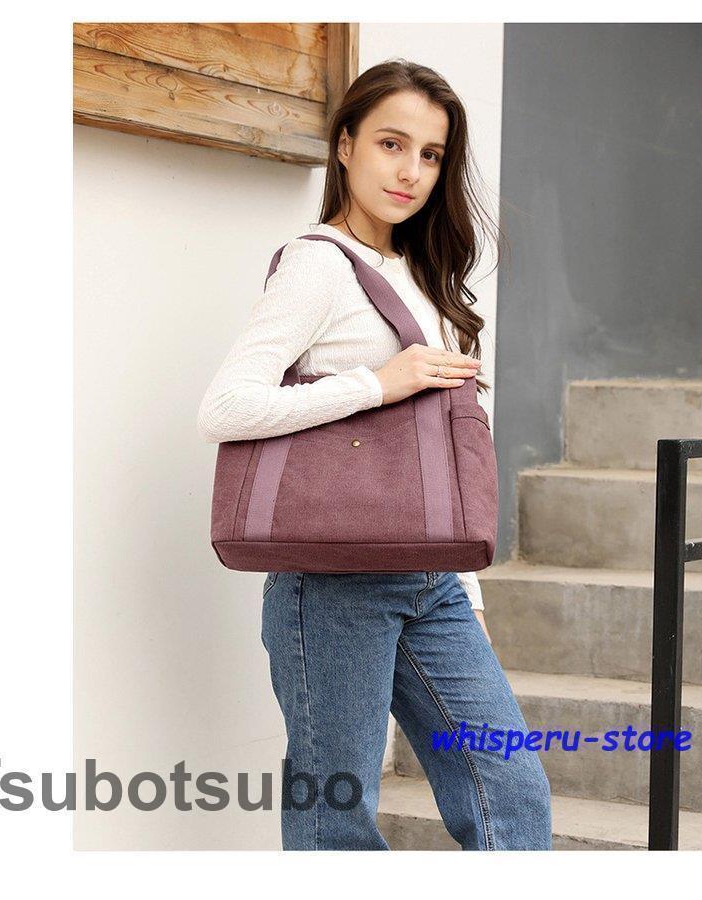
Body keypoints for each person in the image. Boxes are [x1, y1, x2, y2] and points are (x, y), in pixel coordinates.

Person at [197, 59, 551, 851]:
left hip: (432, 581)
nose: (411, 171)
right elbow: (224, 407)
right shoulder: (317, 264)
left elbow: (441, 457)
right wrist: (376, 384)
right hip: (331, 587)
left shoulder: (427, 274)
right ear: (346, 144)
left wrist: (468, 593)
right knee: (337, 816)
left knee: (511, 790)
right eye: (392, 144)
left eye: (431, 155)